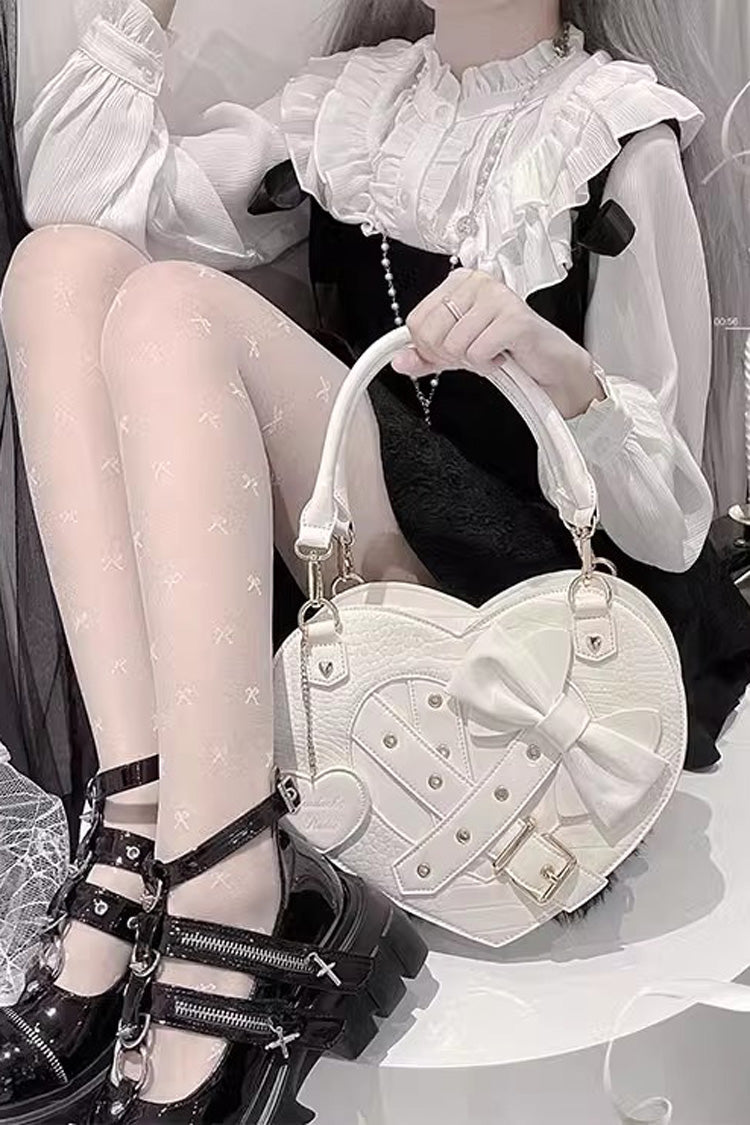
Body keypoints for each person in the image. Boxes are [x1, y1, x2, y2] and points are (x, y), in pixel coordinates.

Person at [1, 1, 749, 1122]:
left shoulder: (615, 131)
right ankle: (141, 824)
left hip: (523, 599)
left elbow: (675, 523)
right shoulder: (349, 103)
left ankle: (231, 886)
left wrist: (550, 360)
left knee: (172, 307)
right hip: (358, 556)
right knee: (55, 268)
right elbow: (76, 199)